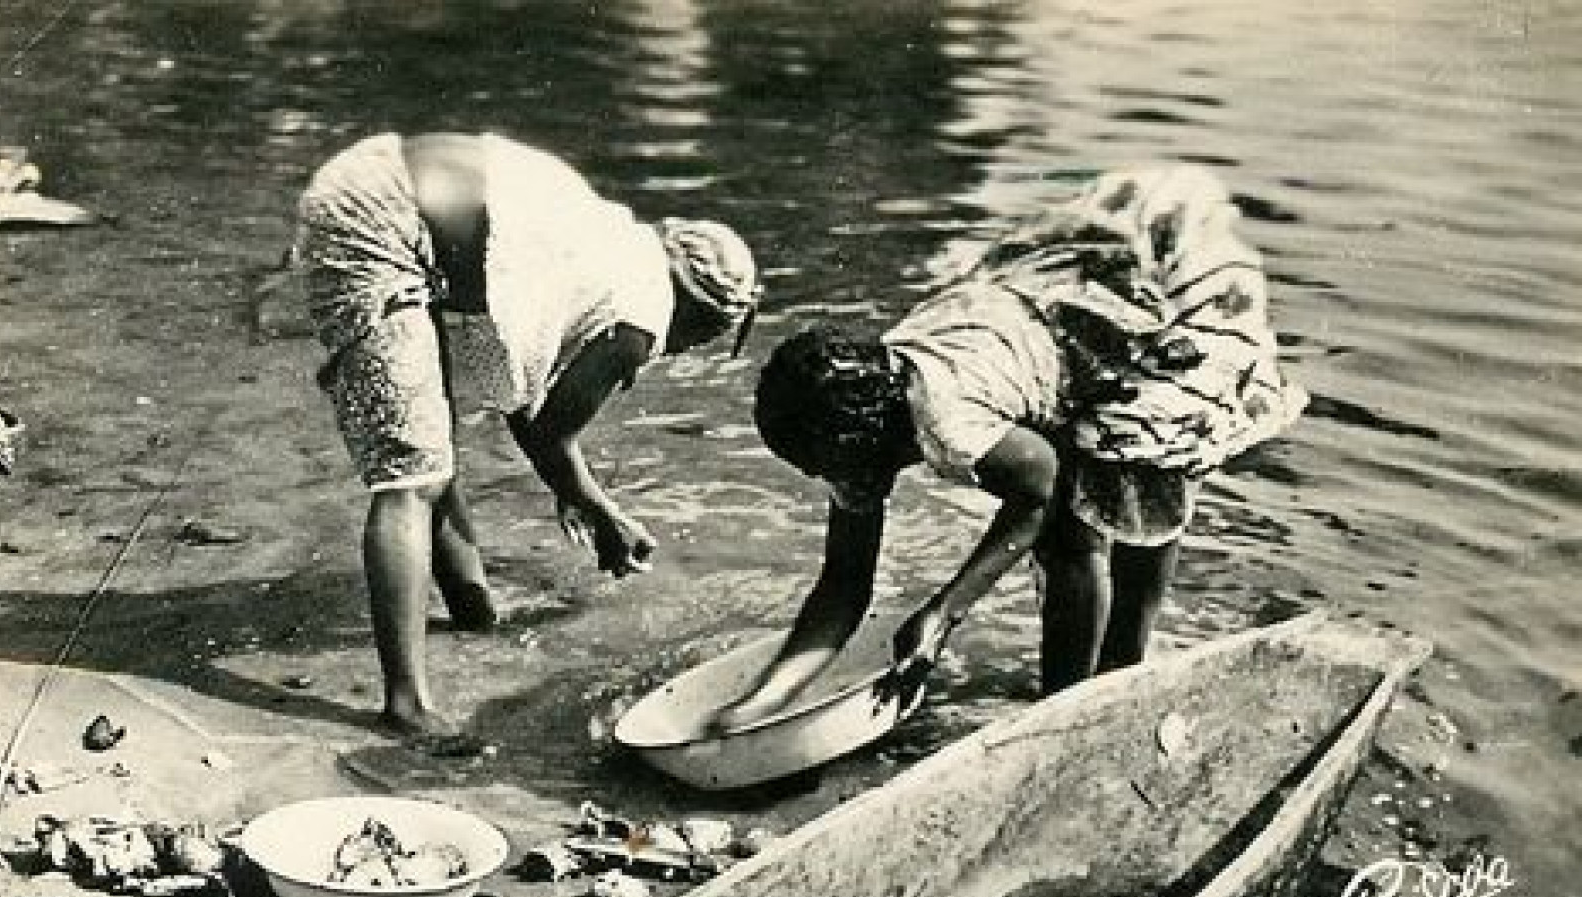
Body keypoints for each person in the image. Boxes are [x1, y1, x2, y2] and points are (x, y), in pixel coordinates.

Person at [712, 165, 1303, 733]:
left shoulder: (941, 416)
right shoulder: (859, 422)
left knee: (1122, 496)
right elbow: (845, 583)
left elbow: (1039, 485)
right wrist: (755, 706)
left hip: (1145, 302)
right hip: (1040, 321)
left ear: (867, 441)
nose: (832, 484)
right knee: (1069, 532)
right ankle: (1076, 695)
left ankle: (1104, 685)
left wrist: (945, 612)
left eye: (830, 469)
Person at [287, 132, 759, 746]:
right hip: (378, 223)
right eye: (705, 338)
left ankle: (471, 611)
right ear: (701, 313)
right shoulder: (642, 316)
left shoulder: (615, 244)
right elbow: (549, 429)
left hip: (380, 183)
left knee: (432, 442)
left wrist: (581, 495)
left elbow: (526, 403)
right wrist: (599, 507)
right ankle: (406, 706)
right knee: (412, 481)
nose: (685, 350)